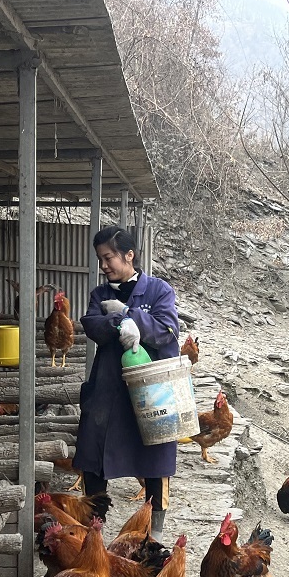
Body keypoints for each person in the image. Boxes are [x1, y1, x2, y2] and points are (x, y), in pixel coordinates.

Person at [75, 225, 180, 540]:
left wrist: (136, 319)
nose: (104, 265)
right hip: (107, 392)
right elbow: (92, 324)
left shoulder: (159, 290)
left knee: (154, 461)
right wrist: (122, 319)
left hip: (148, 395)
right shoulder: (100, 293)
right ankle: (94, 530)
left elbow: (168, 331)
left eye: (109, 258)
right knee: (93, 457)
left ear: (129, 255)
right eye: (100, 260)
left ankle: (154, 535)